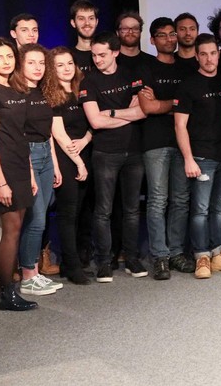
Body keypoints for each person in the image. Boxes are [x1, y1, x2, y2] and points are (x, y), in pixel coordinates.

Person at [174, 34, 221, 279]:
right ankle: (201, 256)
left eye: (212, 53)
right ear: (196, 57)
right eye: (203, 54)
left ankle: (218, 254)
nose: (208, 58)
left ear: (219, 54)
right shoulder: (189, 85)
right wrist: (188, 158)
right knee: (200, 210)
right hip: (202, 157)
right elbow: (180, 126)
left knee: (218, 209)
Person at [0, 38, 38, 310]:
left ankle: (11, 289)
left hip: (21, 165)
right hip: (3, 168)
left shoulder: (17, 88)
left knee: (18, 227)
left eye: (9, 56)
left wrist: (32, 173)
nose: (6, 61)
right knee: (11, 230)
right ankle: (7, 293)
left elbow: (20, 135)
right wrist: (1, 181)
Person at [80, 31, 148, 282]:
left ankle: (131, 257)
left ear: (116, 52)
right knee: (103, 210)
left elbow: (142, 112)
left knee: (131, 209)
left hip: (134, 151)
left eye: (102, 55)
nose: (97, 59)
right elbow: (96, 122)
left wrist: (110, 112)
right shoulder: (89, 82)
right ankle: (104, 261)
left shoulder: (131, 76)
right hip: (105, 153)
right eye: (94, 55)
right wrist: (124, 113)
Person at [139, 17, 192, 279]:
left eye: (173, 34)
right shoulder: (146, 67)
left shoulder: (186, 68)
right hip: (155, 142)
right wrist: (177, 104)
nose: (169, 39)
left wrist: (164, 103)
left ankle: (176, 252)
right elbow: (148, 107)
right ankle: (159, 255)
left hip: (183, 141)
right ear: (152, 40)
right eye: (162, 35)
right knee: (158, 200)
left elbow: (189, 105)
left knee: (181, 200)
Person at [16, 44, 65, 296]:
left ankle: (34, 271)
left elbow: (48, 134)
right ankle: (27, 275)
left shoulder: (45, 92)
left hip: (45, 153)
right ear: (21, 65)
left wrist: (55, 164)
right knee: (35, 219)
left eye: (41, 63)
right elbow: (20, 137)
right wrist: (32, 171)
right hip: (28, 156)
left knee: (43, 214)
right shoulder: (17, 94)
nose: (37, 67)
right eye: (31, 62)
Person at [46, 47, 92, 285]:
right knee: (67, 214)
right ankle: (72, 266)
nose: (66, 69)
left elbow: (93, 122)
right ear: (52, 70)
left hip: (84, 152)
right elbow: (60, 135)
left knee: (82, 213)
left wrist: (85, 140)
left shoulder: (81, 91)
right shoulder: (52, 96)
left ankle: (70, 262)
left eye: (69, 63)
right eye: (60, 65)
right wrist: (79, 163)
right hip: (67, 159)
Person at [69, 0, 99, 75]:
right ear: (73, 23)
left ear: (96, 22)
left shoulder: (106, 54)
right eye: (81, 19)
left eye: (91, 18)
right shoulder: (68, 56)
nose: (87, 23)